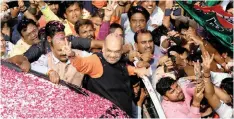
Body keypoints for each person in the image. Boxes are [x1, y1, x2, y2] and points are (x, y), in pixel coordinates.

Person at [62, 33, 150, 117]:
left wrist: (136, 70)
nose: (112, 55)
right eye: (109, 51)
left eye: (116, 52)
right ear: (103, 48)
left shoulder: (119, 60)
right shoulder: (96, 60)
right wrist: (72, 55)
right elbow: (82, 64)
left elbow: (121, 69)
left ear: (122, 50)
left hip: (124, 113)